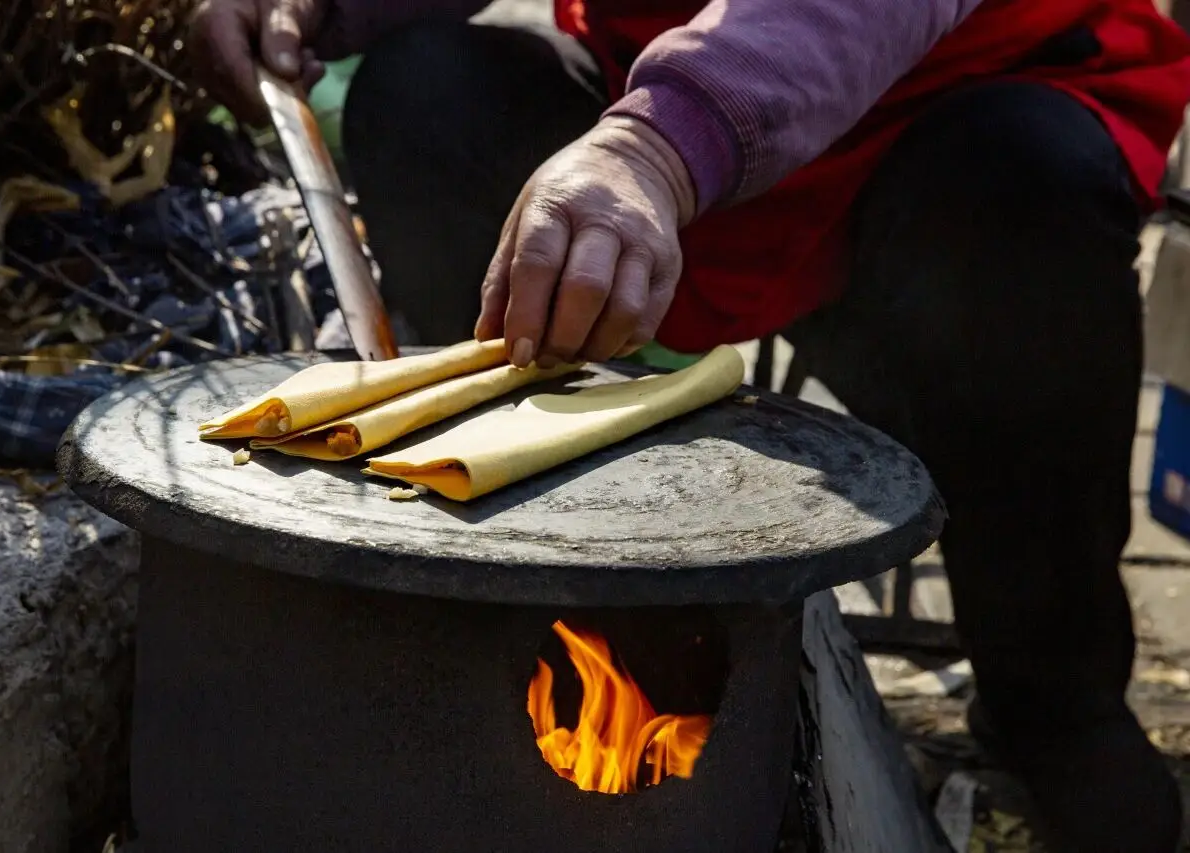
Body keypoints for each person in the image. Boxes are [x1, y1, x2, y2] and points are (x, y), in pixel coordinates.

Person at [190, 0, 1190, 849]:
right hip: (678, 103)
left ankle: (1051, 698)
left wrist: (652, 149)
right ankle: (546, 625)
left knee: (1020, 182)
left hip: (943, 136)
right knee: (433, 92)